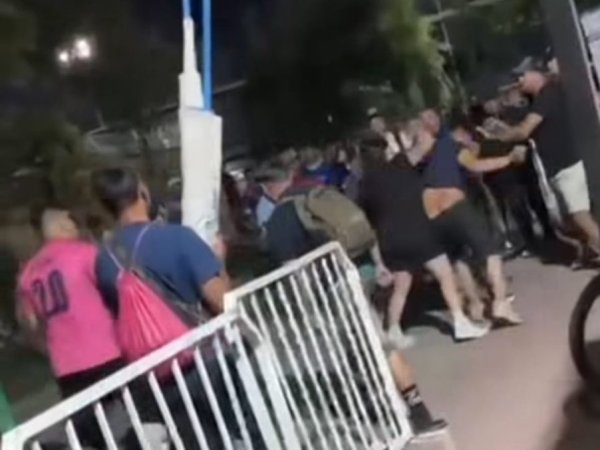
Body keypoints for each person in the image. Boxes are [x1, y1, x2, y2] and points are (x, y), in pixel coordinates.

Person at [256, 162, 448, 436]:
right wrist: (379, 264)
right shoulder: (320, 195)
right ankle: (409, 409)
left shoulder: (279, 219)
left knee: (370, 351)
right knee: (373, 347)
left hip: (331, 292)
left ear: (268, 187)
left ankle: (410, 416)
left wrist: (309, 311)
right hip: (357, 274)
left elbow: (292, 271)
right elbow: (363, 229)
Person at [359, 137, 489, 345]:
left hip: (390, 241)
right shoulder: (400, 164)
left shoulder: (364, 185)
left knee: (401, 287)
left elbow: (370, 225)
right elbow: (425, 145)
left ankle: (393, 330)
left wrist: (379, 262)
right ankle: (460, 322)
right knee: (445, 275)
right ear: (385, 150)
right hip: (417, 233)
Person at [16, 206, 125, 447]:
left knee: (92, 435)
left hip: (67, 367)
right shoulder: (85, 253)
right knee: (142, 411)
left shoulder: (29, 273)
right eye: (72, 222)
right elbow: (117, 288)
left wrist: (49, 347)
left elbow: (30, 323)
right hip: (107, 351)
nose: (76, 227)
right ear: (62, 227)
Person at [414, 110, 523, 326]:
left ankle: (475, 305)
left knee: (459, 257)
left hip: (432, 214)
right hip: (453, 203)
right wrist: (508, 159)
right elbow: (476, 165)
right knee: (491, 252)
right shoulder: (450, 146)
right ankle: (501, 303)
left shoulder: (420, 158)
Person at [494, 61, 600, 259]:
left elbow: (524, 130)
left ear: (535, 74)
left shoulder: (548, 94)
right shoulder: (539, 98)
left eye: (522, 76)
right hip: (556, 167)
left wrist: (501, 135)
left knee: (579, 215)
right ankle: (588, 250)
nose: (519, 81)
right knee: (565, 220)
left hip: (567, 164)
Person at [92, 168, 230, 320]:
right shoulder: (179, 237)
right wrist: (219, 264)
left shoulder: (104, 261)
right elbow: (222, 302)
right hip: (195, 333)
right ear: (143, 193)